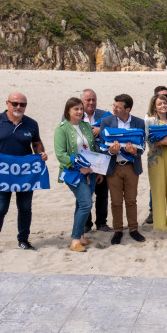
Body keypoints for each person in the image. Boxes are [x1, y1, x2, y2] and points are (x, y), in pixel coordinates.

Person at [0, 93, 47, 251]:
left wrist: (41, 154)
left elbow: (37, 144)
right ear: (7, 103)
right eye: (15, 103)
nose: (18, 107)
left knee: (25, 208)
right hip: (2, 172)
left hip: (25, 173)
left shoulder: (31, 124)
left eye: (22, 104)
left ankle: (23, 240)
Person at [99, 94, 146, 245]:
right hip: (114, 167)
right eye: (114, 105)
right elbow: (101, 145)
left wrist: (135, 152)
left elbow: (142, 146)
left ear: (127, 109)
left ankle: (133, 229)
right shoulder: (107, 121)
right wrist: (111, 151)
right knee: (116, 201)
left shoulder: (138, 122)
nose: (114, 109)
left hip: (132, 167)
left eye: (118, 107)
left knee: (131, 200)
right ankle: (117, 230)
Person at [54, 97, 99, 252]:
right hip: (73, 173)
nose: (80, 112)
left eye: (81, 109)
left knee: (81, 203)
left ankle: (80, 237)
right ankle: (74, 240)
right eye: (76, 109)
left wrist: (96, 167)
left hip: (91, 172)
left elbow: (93, 149)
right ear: (68, 111)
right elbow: (61, 154)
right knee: (86, 203)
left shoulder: (86, 126)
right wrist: (79, 167)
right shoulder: (62, 128)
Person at [145, 94, 167, 231]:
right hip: (156, 159)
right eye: (159, 104)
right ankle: (160, 224)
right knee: (158, 191)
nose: (163, 106)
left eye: (164, 103)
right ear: (154, 106)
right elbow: (148, 140)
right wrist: (162, 142)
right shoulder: (150, 121)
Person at [79, 89, 112, 232]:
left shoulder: (104, 115)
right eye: (88, 100)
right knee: (83, 194)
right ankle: (86, 224)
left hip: (100, 160)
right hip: (82, 161)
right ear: (81, 101)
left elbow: (112, 129)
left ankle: (101, 223)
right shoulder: (74, 114)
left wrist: (100, 128)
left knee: (102, 193)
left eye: (94, 99)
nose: (91, 102)